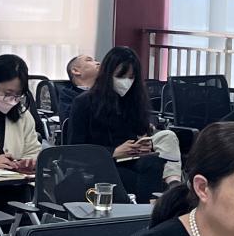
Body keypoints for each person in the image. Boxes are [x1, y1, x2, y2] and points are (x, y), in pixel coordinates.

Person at [67, 46, 180, 196]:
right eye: (121, 76)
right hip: (100, 163)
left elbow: (138, 132)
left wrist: (143, 145)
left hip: (130, 159)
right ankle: (146, 205)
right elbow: (75, 150)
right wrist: (113, 152)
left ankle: (163, 196)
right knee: (137, 177)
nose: (126, 82)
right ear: (107, 74)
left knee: (153, 162)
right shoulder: (84, 102)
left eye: (131, 77)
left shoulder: (133, 101)